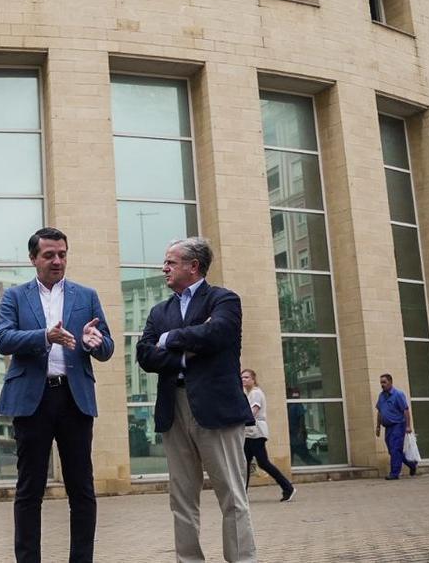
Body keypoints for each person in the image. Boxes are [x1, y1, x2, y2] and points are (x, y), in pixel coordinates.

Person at [0, 227, 114, 563]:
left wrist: (96, 342)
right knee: (29, 489)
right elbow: (2, 338)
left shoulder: (85, 295)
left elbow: (107, 346)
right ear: (33, 259)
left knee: (82, 489)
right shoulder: (15, 297)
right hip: (33, 400)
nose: (57, 261)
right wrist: (45, 336)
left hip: (74, 400)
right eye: (49, 255)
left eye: (62, 254)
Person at [135, 237, 257, 563]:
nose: (164, 268)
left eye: (171, 262)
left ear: (193, 266)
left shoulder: (224, 300)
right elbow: (145, 355)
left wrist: (169, 340)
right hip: (173, 409)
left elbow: (218, 334)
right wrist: (186, 353)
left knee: (232, 494)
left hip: (217, 410)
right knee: (182, 500)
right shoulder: (159, 310)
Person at [240, 369, 296, 502]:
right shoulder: (249, 394)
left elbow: (252, 412)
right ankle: (242, 494)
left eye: (247, 377)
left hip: (256, 433)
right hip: (250, 433)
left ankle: (288, 487)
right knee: (244, 463)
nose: (244, 380)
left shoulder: (255, 393)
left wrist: (239, 420)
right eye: (242, 377)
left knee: (262, 463)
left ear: (253, 379)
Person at [375, 373, 417, 480]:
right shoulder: (381, 396)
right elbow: (380, 411)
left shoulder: (398, 394)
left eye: (384, 382)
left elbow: (405, 410)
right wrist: (378, 426)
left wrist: (408, 426)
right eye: (381, 382)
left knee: (395, 449)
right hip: (388, 427)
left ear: (390, 382)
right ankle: (411, 464)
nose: (382, 385)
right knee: (392, 450)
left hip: (398, 425)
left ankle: (394, 473)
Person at [286, 388, 320, 466]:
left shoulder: (291, 406)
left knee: (297, 456)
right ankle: (317, 465)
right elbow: (302, 420)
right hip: (296, 437)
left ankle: (317, 465)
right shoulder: (296, 405)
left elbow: (301, 420)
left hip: (293, 437)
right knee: (305, 456)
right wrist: (302, 432)